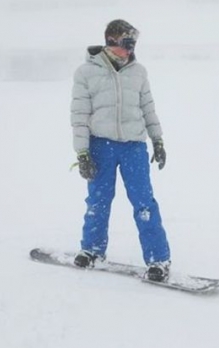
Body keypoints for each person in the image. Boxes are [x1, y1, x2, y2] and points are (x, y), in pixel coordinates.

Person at [70, 19, 170, 281]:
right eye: (127, 43)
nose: (131, 49)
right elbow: (79, 115)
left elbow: (148, 107)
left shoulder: (139, 72)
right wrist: (82, 153)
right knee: (98, 202)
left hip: (133, 147)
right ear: (111, 42)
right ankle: (92, 249)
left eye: (134, 44)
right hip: (100, 146)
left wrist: (157, 140)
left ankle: (158, 260)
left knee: (144, 203)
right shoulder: (86, 73)